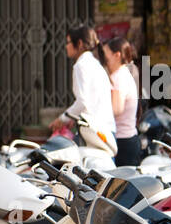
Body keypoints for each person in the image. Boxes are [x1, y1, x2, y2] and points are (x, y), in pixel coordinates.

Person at [49, 25, 116, 152]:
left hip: (94, 134)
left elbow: (82, 102)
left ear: (79, 43)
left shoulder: (81, 65)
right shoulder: (95, 64)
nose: (66, 46)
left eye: (68, 42)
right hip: (106, 131)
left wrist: (62, 119)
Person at [102, 37, 141, 167]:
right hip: (127, 139)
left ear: (117, 55)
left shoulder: (118, 77)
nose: (104, 59)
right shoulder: (123, 73)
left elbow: (117, 109)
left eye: (106, 55)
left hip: (122, 142)